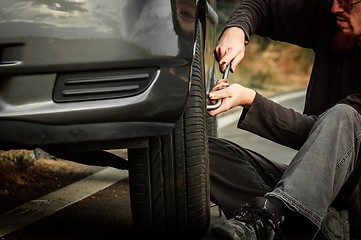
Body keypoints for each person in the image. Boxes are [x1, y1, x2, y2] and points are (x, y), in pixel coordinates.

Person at [207, 0, 361, 239]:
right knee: (203, 155)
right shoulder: (332, 20)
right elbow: (263, 5)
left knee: (344, 116)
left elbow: (321, 134)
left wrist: (250, 100)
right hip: (310, 185)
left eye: (346, 2)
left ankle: (271, 219)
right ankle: (307, 220)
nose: (334, 8)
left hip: (354, 193)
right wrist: (237, 29)